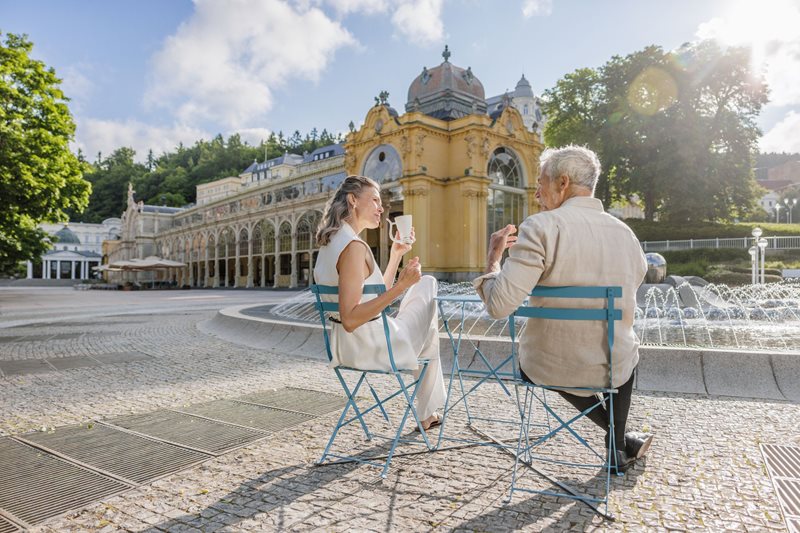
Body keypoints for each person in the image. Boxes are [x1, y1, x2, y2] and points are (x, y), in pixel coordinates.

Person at [472, 145, 653, 472]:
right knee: (627, 350)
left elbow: (499, 306)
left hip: (546, 365)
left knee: (548, 358)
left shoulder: (540, 227)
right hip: (612, 367)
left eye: (541, 184)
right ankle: (618, 445)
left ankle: (621, 440)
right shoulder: (627, 235)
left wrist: (493, 259)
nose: (537, 193)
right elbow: (636, 281)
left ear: (563, 183)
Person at [313, 175, 446, 431]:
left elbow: (371, 296)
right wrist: (402, 286)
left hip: (346, 347)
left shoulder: (332, 244)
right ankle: (427, 411)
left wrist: (396, 254)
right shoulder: (353, 247)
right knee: (427, 285)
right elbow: (351, 318)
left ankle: (429, 414)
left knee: (426, 328)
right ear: (353, 200)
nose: (381, 208)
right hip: (375, 347)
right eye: (374, 200)